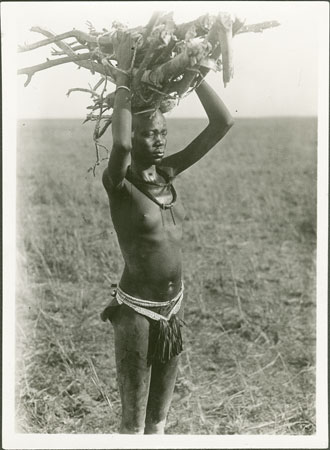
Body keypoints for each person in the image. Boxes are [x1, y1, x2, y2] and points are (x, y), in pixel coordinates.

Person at [101, 32, 234, 434]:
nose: (158, 141)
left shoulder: (167, 173)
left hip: (173, 308)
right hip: (137, 313)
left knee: (158, 422)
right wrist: (124, 74)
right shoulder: (118, 184)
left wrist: (193, 72)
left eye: (162, 133)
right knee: (132, 424)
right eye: (150, 134)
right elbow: (121, 142)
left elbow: (223, 123)